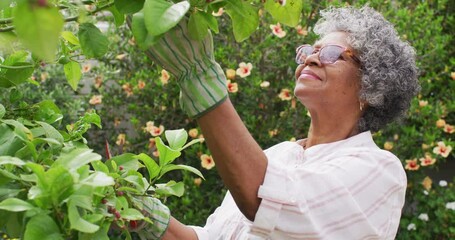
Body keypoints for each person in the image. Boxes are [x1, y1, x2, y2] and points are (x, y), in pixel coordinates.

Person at [133, 5, 420, 240]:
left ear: (372, 89)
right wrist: (145, 214)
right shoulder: (277, 155)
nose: (312, 59)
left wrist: (201, 78)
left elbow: (266, 201)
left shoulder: (379, 170)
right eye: (308, 50)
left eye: (332, 54)